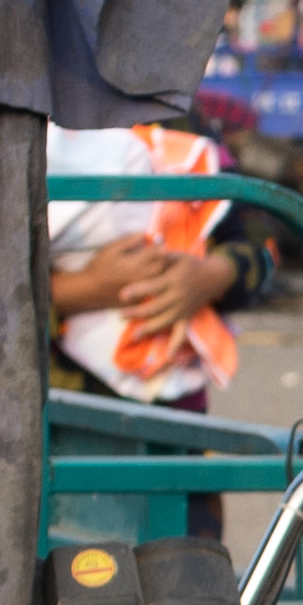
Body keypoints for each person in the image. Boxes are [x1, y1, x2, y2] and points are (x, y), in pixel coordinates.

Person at [43, 119, 271, 405]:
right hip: (49, 407)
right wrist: (80, 290)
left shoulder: (176, 121)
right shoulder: (11, 117)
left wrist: (210, 276)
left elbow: (258, 245)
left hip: (172, 408)